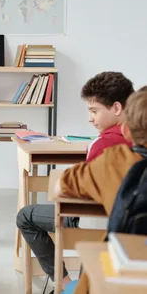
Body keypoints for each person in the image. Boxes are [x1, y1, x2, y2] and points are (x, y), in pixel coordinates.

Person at [16, 71, 134, 292]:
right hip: (127, 227)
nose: (90, 118)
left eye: (94, 111)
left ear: (117, 108)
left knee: (25, 216)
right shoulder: (138, 138)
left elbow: (82, 193)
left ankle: (63, 283)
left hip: (91, 220)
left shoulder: (103, 145)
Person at [57, 88, 147, 294]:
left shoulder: (114, 159)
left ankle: (64, 284)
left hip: (120, 276)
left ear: (126, 130)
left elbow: (60, 185)